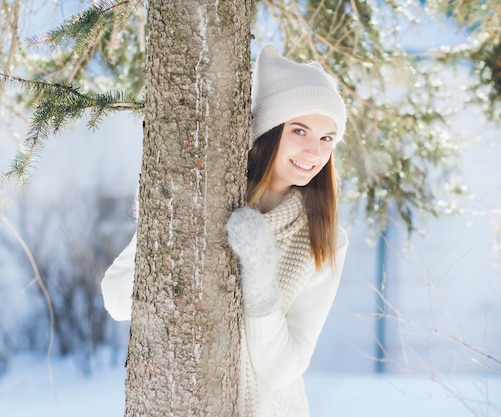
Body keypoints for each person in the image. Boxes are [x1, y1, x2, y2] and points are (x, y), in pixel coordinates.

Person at [101, 44, 349, 417]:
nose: (314, 151)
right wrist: (160, 218)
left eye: (327, 138)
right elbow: (118, 301)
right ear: (266, 130)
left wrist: (261, 279)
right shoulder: (201, 203)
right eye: (299, 130)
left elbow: (283, 368)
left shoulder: (324, 238)